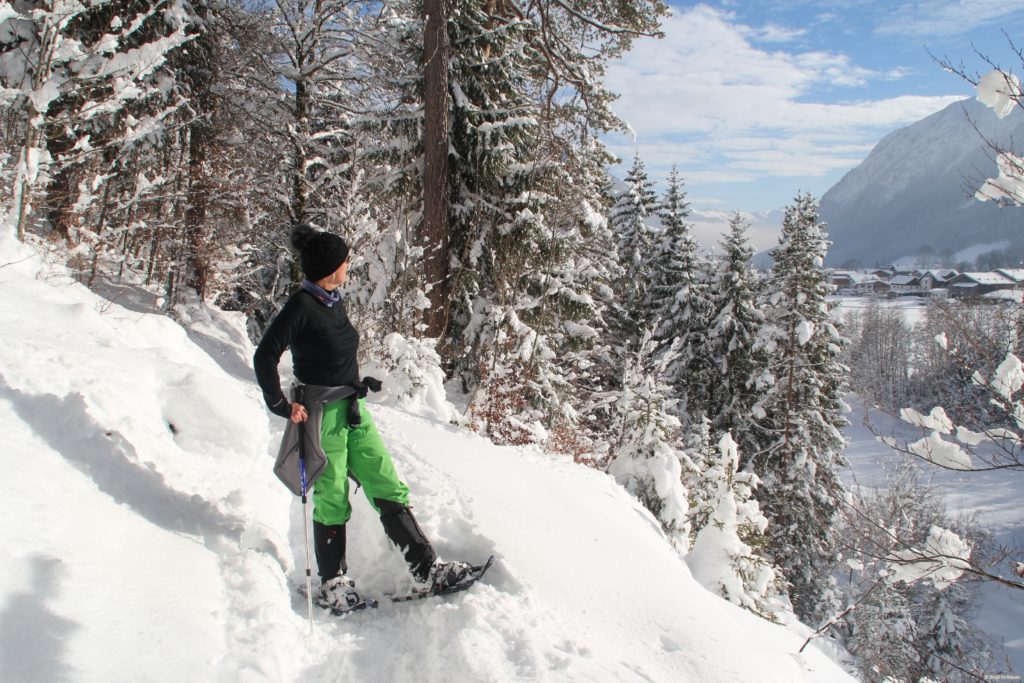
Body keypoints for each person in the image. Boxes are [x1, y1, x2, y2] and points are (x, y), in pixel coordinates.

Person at [254, 223, 469, 610]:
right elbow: (265, 354)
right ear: (330, 266)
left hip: (354, 409)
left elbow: (331, 350)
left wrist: (357, 380)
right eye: (345, 260)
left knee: (386, 482)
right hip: (322, 415)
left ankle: (426, 569)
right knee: (332, 496)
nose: (349, 265)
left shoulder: (332, 299)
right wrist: (282, 406)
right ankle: (334, 584)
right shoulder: (301, 305)